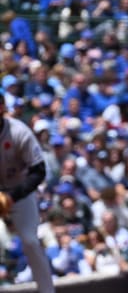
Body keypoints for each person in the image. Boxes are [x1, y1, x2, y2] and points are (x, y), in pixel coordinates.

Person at [0, 96, 55, 292]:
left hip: (19, 192)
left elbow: (38, 171)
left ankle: (47, 290)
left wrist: (12, 196)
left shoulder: (18, 132)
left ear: (2, 108)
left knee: (31, 241)